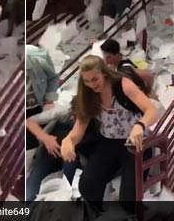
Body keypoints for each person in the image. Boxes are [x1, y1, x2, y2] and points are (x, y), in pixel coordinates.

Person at [62, 55, 158, 213]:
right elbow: (78, 129)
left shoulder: (123, 84)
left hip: (134, 143)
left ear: (104, 73)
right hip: (108, 142)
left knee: (129, 200)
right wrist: (68, 141)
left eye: (95, 79)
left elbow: (152, 111)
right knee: (87, 186)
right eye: (87, 81)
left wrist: (140, 126)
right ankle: (97, 212)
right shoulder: (88, 96)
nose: (92, 85)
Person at [25, 98, 99, 202]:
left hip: (75, 157)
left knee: (67, 192)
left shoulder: (96, 125)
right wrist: (46, 138)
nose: (76, 120)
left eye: (80, 118)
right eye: (74, 116)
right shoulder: (63, 112)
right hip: (52, 150)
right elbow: (28, 122)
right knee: (29, 193)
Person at [25, 45, 60, 149]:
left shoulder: (37, 57)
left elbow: (53, 77)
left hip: (36, 105)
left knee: (36, 136)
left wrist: (49, 99)